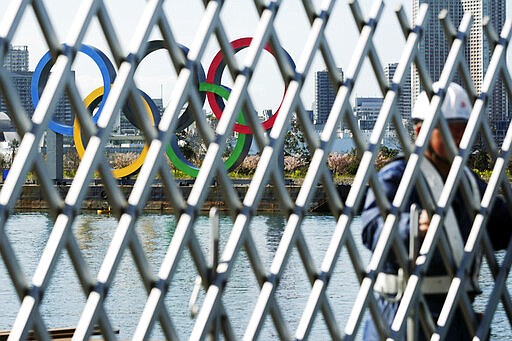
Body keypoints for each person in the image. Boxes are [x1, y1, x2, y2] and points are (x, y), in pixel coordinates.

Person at [360, 82, 512, 340]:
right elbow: (372, 228)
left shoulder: (470, 183)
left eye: (464, 129)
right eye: (450, 129)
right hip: (401, 313)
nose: (459, 137)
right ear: (421, 132)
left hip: (458, 314)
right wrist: (411, 226)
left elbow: (500, 226)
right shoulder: (396, 177)